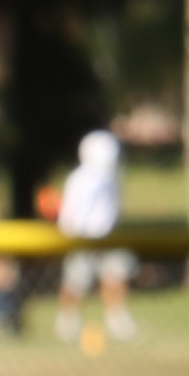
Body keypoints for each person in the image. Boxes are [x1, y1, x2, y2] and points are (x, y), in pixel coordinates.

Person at [54, 126, 135, 342]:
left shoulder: (112, 177)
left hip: (109, 236)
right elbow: (69, 211)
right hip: (82, 237)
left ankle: (117, 320)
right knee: (75, 282)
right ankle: (68, 321)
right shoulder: (79, 178)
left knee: (115, 276)